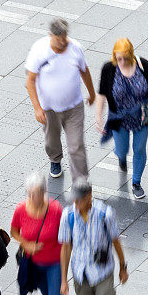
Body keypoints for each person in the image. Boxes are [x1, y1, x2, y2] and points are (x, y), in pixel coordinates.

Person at [58, 178, 128, 295]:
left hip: (103, 272)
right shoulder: (68, 216)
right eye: (74, 200)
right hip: (81, 273)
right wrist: (64, 280)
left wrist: (123, 266)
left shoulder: (105, 214)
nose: (76, 204)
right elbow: (65, 247)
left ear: (89, 197)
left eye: (79, 200)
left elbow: (115, 241)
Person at [95, 38, 148, 200]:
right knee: (121, 149)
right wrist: (98, 117)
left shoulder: (142, 64)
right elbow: (101, 94)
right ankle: (121, 158)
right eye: (118, 58)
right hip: (119, 117)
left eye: (125, 58)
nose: (122, 62)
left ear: (131, 55)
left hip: (143, 115)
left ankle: (136, 183)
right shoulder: (109, 69)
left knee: (139, 148)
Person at [26, 18, 96, 180]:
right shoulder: (39, 50)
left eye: (65, 37)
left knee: (76, 145)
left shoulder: (76, 48)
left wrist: (91, 93)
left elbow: (84, 71)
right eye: (59, 38)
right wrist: (37, 108)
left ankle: (81, 181)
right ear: (51, 36)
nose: (64, 41)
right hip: (49, 109)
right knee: (52, 140)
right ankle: (55, 159)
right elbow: (30, 80)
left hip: (74, 107)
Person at [10, 173, 64, 295]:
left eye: (36, 194)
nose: (32, 198)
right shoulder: (21, 209)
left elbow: (66, 239)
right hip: (34, 263)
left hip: (54, 263)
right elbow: (14, 232)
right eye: (30, 194)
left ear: (44, 191)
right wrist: (26, 244)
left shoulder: (56, 209)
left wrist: (64, 276)